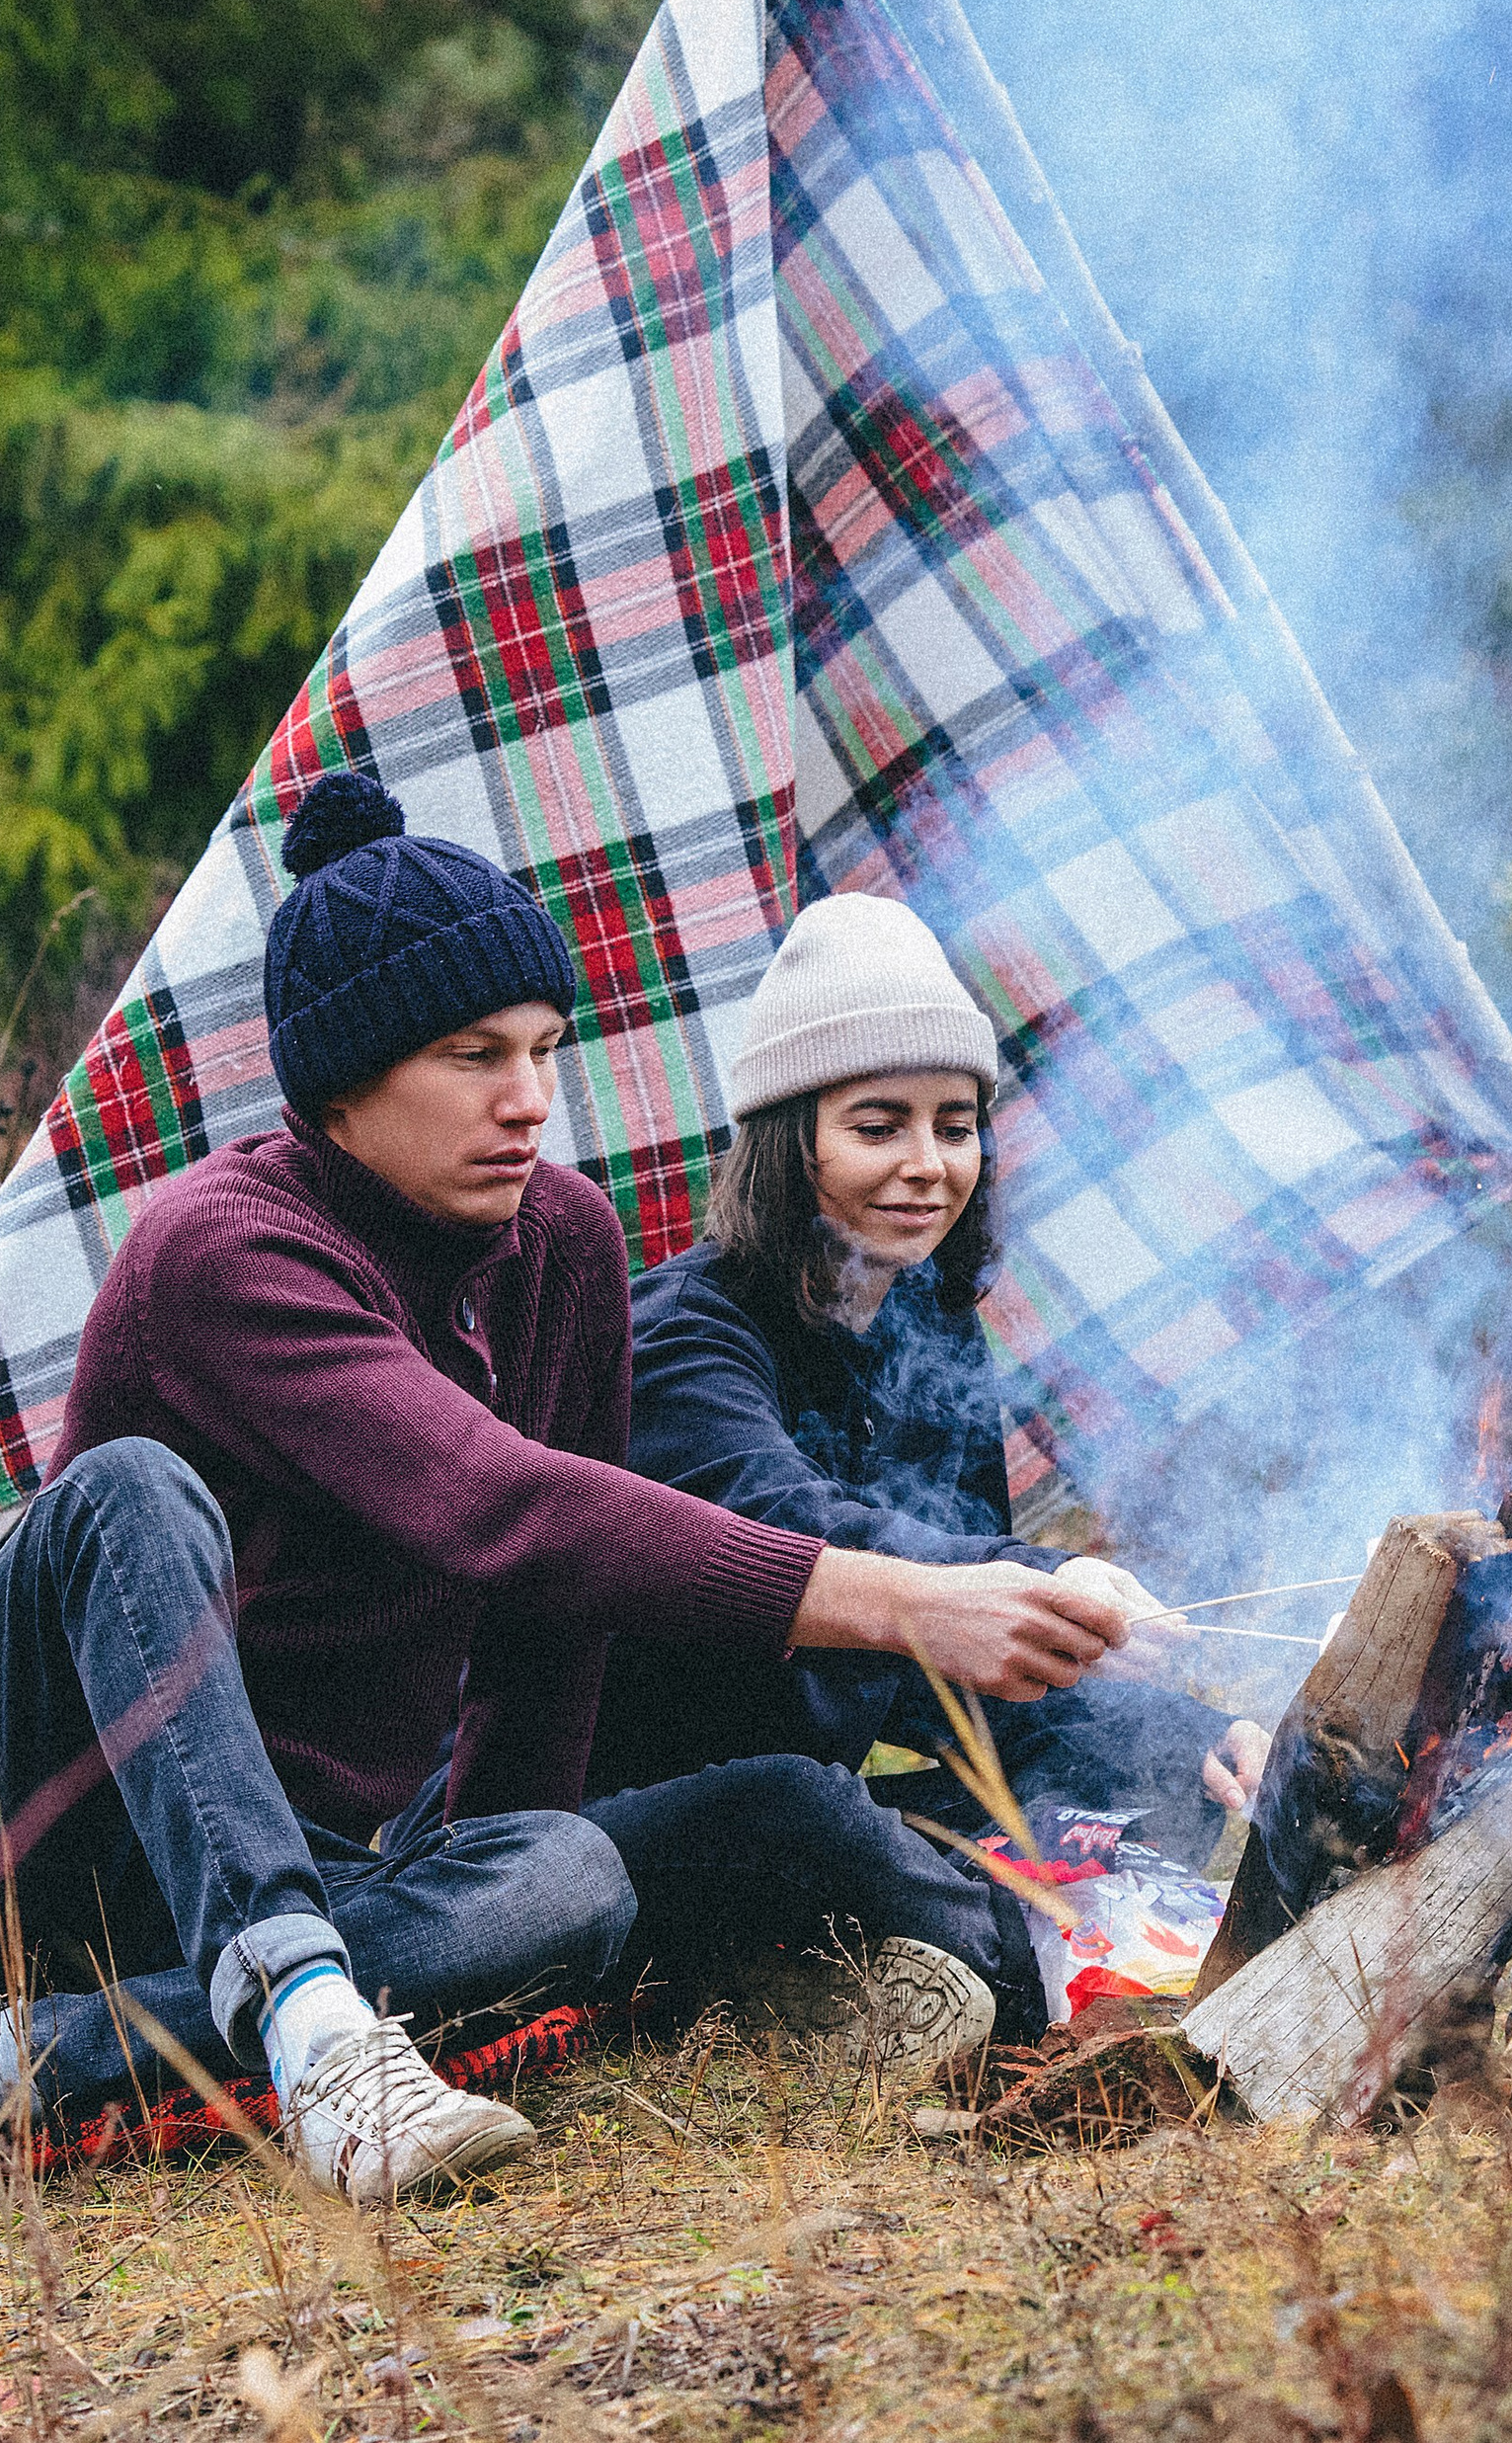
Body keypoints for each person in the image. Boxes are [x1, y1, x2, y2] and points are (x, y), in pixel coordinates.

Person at [7, 777, 1131, 2199]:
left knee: (582, 1873)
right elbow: (503, 1503)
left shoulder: (563, 1245)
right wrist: (904, 1604)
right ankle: (310, 2027)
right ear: (340, 1086)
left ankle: (91, 2049)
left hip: (336, 1865)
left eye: (545, 1047)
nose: (531, 1099)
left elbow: (545, 1630)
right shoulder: (222, 1251)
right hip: (72, 1834)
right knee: (127, 1491)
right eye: (475, 1055)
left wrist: (513, 1871)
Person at [581, 893, 1270, 2041]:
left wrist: (1179, 1737)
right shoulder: (678, 1336)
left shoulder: (934, 1334)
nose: (926, 1166)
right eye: (878, 1124)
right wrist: (1028, 1572)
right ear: (788, 1139)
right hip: (639, 1818)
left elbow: (949, 1685)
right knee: (801, 1808)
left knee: (1163, 1783)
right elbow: (791, 1525)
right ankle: (993, 1968)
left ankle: (898, 1959)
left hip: (833, 1805)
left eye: (954, 1125)